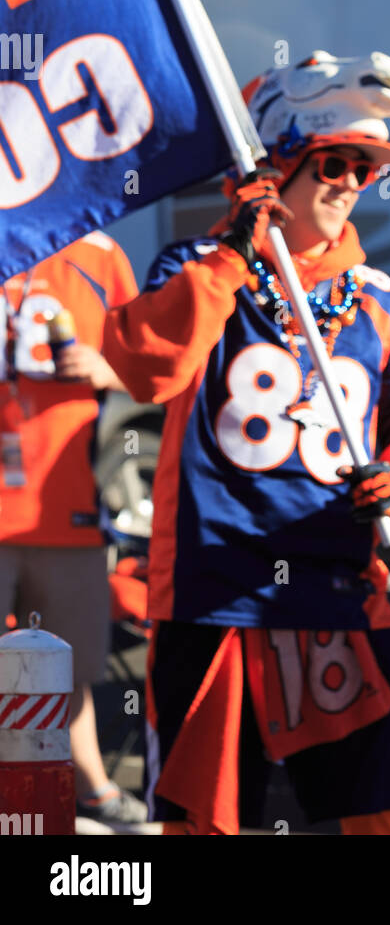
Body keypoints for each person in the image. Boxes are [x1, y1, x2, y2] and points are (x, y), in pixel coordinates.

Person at [102, 50, 390, 836]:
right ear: (277, 165)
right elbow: (145, 368)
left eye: (368, 169)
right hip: (213, 599)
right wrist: (233, 248)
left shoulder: (384, 301)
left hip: (339, 599)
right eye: (334, 162)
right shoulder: (198, 267)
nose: (351, 184)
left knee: (375, 819)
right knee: (205, 822)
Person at [0, 232, 146, 828]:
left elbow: (155, 366)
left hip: (67, 506)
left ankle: (90, 783)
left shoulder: (99, 250)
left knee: (72, 668)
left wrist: (107, 367)